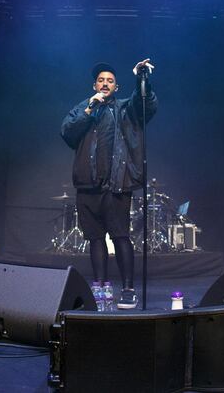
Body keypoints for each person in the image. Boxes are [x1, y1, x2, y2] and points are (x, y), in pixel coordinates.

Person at [61, 59, 157, 309]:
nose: (105, 83)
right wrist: (90, 108)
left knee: (121, 236)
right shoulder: (85, 107)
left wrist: (142, 79)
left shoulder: (126, 109)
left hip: (117, 185)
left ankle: (127, 288)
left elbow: (146, 103)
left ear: (117, 87)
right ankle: (100, 285)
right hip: (88, 185)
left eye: (110, 81)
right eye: (101, 80)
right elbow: (67, 132)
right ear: (94, 85)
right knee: (95, 239)